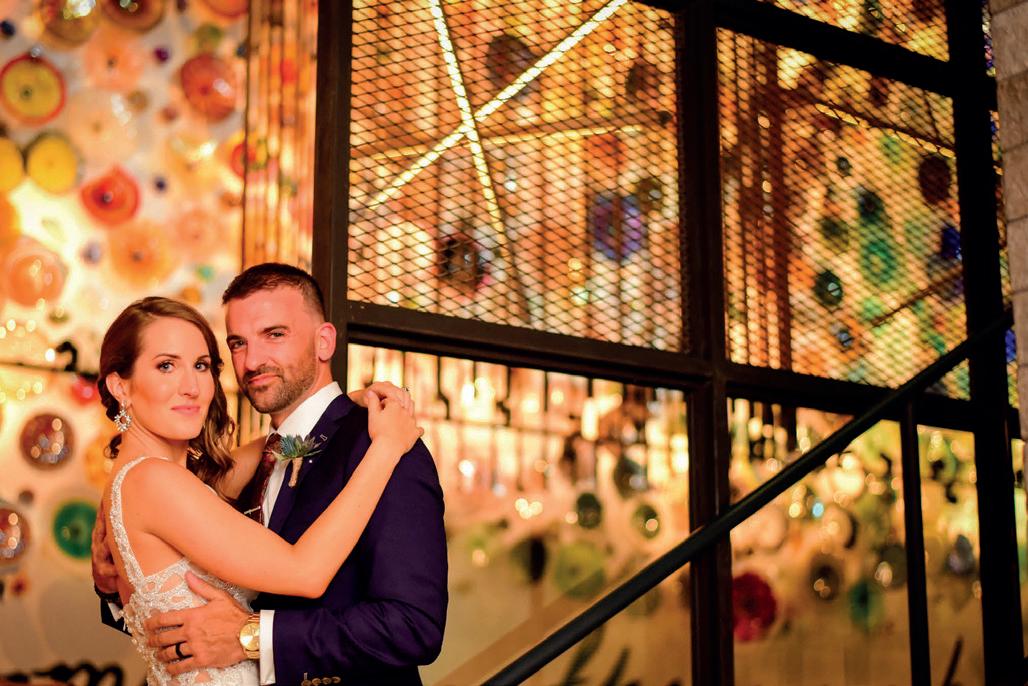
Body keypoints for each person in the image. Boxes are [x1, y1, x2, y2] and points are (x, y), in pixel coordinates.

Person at [92, 264, 448, 686]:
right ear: (120, 385)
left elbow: (413, 626)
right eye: (238, 343)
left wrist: (252, 636)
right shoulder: (175, 478)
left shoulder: (380, 442)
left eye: (274, 334)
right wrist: (119, 584)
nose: (253, 360)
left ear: (324, 341)